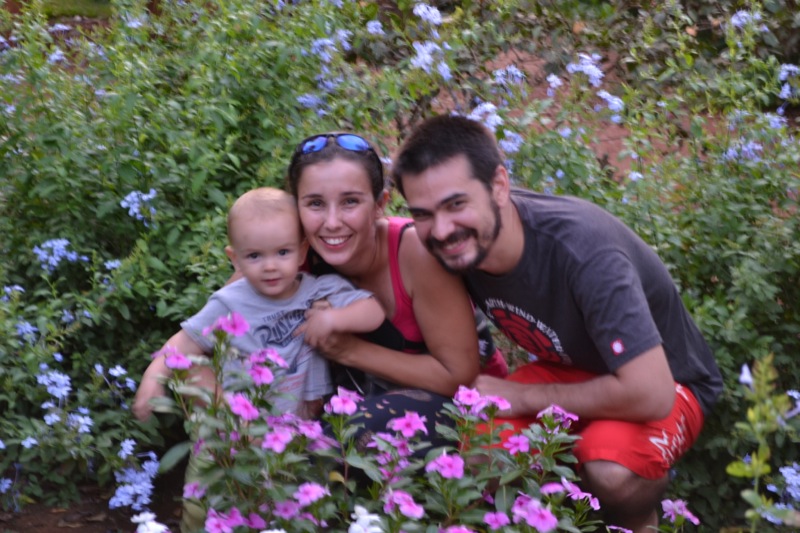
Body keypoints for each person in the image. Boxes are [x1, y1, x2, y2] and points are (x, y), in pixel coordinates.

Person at [390, 114, 724, 533]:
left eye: (456, 204)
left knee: (610, 473)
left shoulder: (584, 251)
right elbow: (377, 244)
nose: (441, 230)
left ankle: (640, 523)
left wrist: (526, 398)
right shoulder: (454, 244)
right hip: (570, 369)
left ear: (499, 185)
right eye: (422, 214)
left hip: (665, 380)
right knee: (478, 449)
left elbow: (651, 394)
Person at [133, 187, 385, 532]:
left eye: (282, 252)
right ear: (234, 258)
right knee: (203, 506)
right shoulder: (229, 302)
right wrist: (152, 378)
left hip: (293, 434)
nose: (270, 266)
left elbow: (373, 312)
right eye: (254, 256)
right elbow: (182, 344)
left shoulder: (319, 289)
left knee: (284, 510)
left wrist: (334, 319)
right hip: (230, 434)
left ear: (302, 251)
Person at [285, 132, 507, 451]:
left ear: (380, 205)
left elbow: (458, 376)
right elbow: (223, 325)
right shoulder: (286, 253)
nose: (332, 222)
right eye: (315, 204)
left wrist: (347, 350)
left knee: (339, 444)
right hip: (353, 400)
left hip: (455, 407)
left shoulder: (415, 253)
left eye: (350, 202)